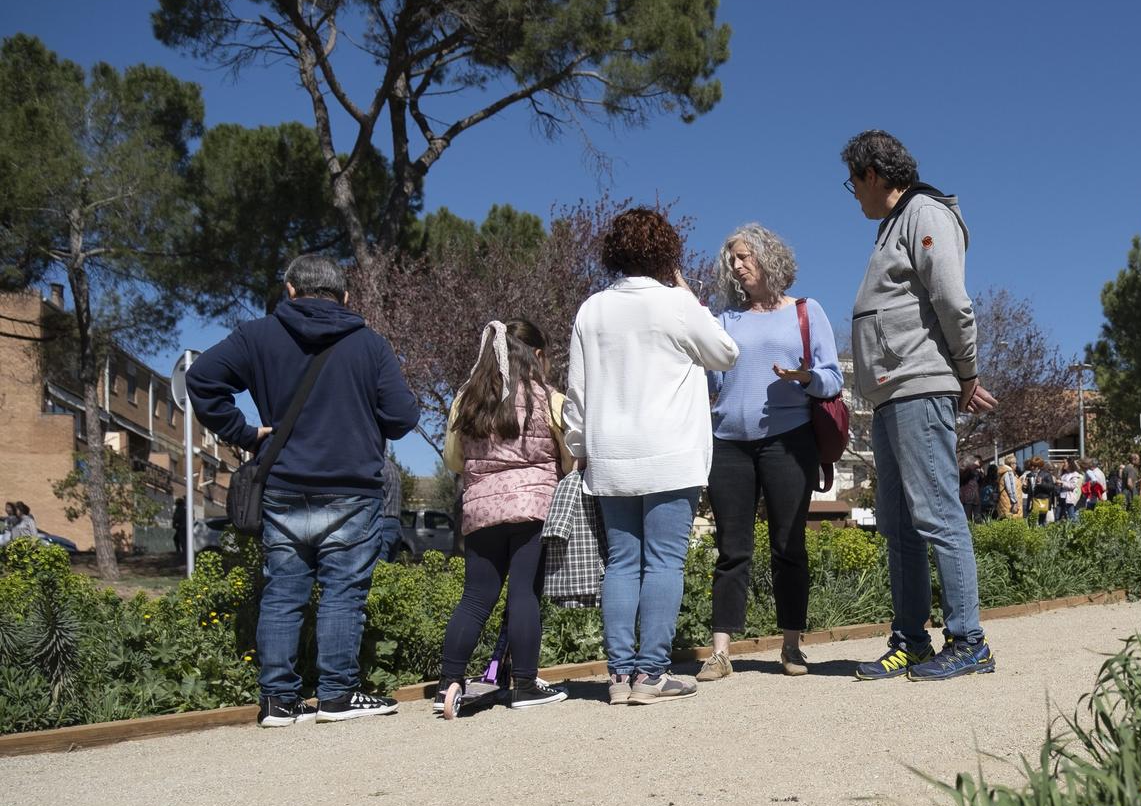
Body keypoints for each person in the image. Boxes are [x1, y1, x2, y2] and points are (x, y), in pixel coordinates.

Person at [185, 253, 418, 728]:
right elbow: (403, 418)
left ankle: (278, 702)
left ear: (290, 290)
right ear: (345, 297)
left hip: (285, 487)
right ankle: (336, 695)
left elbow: (203, 379)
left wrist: (246, 432)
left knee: (282, 594)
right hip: (352, 491)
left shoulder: (257, 335)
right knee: (343, 594)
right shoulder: (370, 345)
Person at [565, 207, 740, 704]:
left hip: (611, 453)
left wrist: (579, 448)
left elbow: (576, 391)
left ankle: (619, 678)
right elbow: (725, 353)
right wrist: (688, 296)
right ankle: (652, 675)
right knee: (664, 562)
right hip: (670, 451)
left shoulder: (591, 309)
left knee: (621, 563)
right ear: (666, 252)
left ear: (615, 253)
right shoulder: (675, 305)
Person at [842, 129, 996, 681]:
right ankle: (911, 640)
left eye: (852, 182)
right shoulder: (892, 225)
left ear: (874, 175)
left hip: (918, 385)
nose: (852, 193)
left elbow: (952, 300)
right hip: (890, 394)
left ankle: (968, 640)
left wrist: (965, 371)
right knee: (899, 524)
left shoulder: (925, 213)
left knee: (935, 514)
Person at [700, 223, 843, 683]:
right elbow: (714, 383)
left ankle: (791, 645)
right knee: (731, 549)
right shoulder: (726, 320)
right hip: (729, 444)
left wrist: (804, 378)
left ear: (768, 257)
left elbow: (833, 378)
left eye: (745, 257)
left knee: (788, 545)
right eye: (733, 260)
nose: (738, 266)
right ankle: (721, 651)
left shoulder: (805, 310)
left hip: (789, 440)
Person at [433, 318, 571, 718]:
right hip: (533, 509)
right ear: (536, 356)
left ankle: (450, 681)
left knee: (476, 597)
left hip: (482, 509)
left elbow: (453, 460)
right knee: (523, 592)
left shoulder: (468, 399)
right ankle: (525, 684)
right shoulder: (550, 399)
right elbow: (569, 456)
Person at [995, 455, 1024, 520]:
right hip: (1010, 504)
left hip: (1006, 502)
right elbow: (1011, 489)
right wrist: (1015, 502)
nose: (1016, 465)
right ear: (1011, 464)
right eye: (1015, 463)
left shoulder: (1005, 473)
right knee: (1012, 522)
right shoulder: (1009, 473)